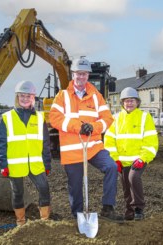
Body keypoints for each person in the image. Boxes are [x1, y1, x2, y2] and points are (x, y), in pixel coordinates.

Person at [49, 57, 123, 223]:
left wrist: (93, 127)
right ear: (73, 74)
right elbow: (54, 118)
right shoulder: (62, 96)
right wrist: (79, 126)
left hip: (93, 146)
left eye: (84, 74)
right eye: (78, 74)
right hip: (72, 149)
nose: (81, 77)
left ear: (88, 75)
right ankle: (78, 215)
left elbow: (108, 119)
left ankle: (108, 207)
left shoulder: (96, 96)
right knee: (75, 185)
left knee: (111, 167)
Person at [0, 80, 52, 226]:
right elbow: (1, 143)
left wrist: (47, 163)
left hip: (35, 163)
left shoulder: (40, 118)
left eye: (28, 96)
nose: (25, 99)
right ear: (17, 97)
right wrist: (3, 164)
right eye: (22, 96)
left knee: (44, 189)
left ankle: (45, 221)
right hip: (15, 164)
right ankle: (21, 222)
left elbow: (45, 143)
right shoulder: (7, 118)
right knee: (18, 193)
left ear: (33, 97)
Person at [104, 87, 159, 221]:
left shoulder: (145, 117)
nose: (129, 103)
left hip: (138, 159)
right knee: (126, 187)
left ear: (137, 102)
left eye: (132, 100)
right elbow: (109, 140)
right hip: (122, 161)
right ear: (122, 103)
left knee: (133, 178)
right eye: (127, 101)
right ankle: (129, 213)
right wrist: (115, 159)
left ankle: (138, 209)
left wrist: (143, 158)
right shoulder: (115, 118)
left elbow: (151, 140)